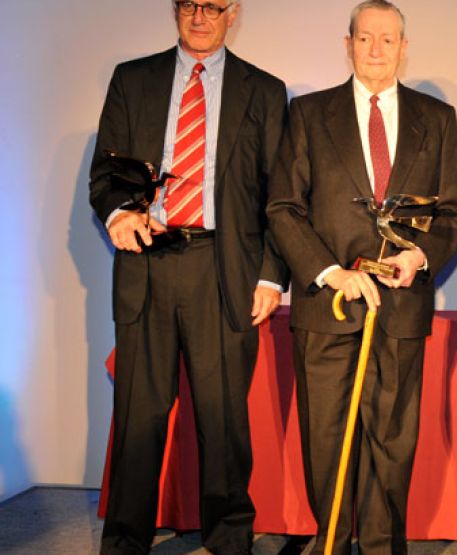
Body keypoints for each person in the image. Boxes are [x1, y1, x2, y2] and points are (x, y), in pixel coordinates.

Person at [265, 1, 457, 553]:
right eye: (365, 38)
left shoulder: (437, 117)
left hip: (400, 305)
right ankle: (329, 542)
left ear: (404, 48)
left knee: (393, 441)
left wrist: (420, 256)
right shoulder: (307, 113)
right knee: (326, 438)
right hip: (327, 306)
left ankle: (381, 547)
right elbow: (283, 206)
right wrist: (330, 273)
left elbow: (452, 212)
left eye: (388, 39)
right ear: (348, 43)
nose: (376, 49)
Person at [88, 1, 288, 553]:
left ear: (233, 14)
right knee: (138, 418)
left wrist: (271, 276)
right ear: (176, 11)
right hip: (146, 264)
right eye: (188, 5)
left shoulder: (265, 91)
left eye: (212, 6)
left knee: (223, 420)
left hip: (223, 271)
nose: (200, 16)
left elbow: (280, 196)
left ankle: (229, 540)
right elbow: (104, 174)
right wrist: (117, 213)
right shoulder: (133, 80)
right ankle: (125, 541)